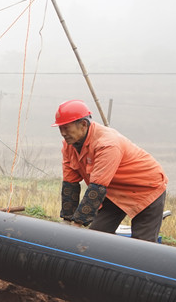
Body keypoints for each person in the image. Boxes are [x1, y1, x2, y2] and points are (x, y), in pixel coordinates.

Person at [53, 99, 168, 242]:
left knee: (141, 246)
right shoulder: (68, 145)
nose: (63, 133)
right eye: (60, 128)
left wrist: (77, 224)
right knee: (96, 236)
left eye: (66, 128)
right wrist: (67, 220)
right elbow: (70, 184)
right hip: (113, 192)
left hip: (146, 188)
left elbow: (96, 188)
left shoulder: (107, 144)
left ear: (83, 125)